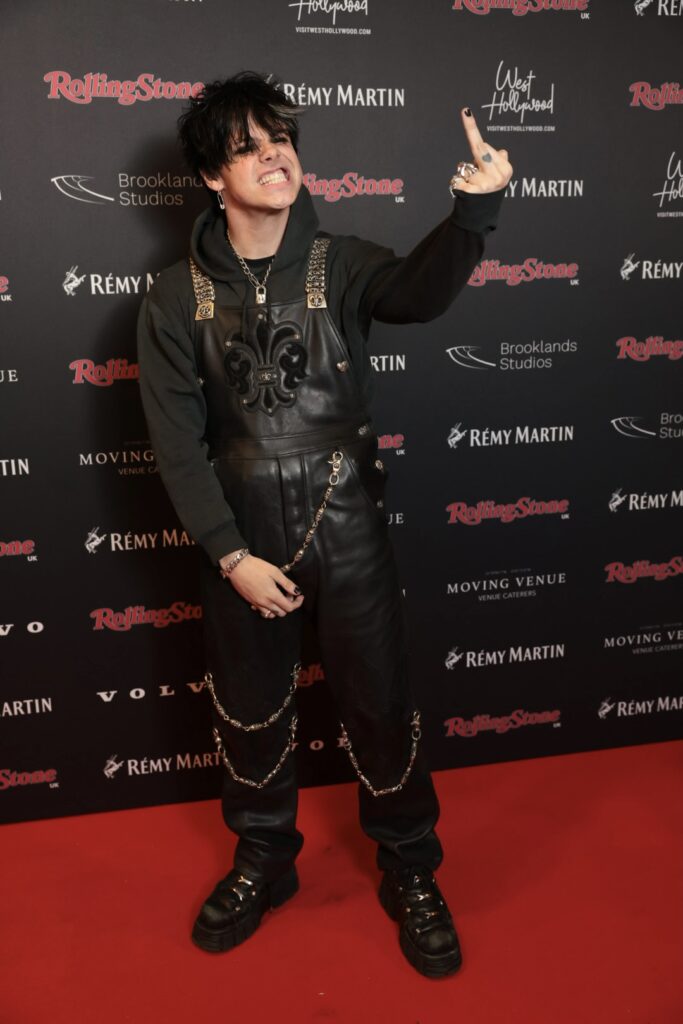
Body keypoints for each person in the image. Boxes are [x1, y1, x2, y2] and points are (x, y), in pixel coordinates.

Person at [137, 71, 511, 979]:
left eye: (281, 140)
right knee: (249, 709)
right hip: (240, 535)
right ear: (211, 177)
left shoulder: (338, 262)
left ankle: (410, 866)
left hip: (345, 521)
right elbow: (177, 446)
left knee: (379, 701)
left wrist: (474, 213)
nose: (274, 158)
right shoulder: (173, 297)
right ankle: (264, 858)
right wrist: (230, 556)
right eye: (247, 148)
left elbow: (418, 294)